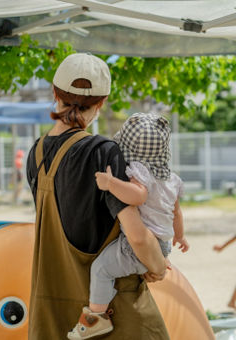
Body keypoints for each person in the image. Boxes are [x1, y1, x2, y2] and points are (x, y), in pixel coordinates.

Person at [26, 53, 169, 340]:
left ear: (55, 93)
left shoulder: (36, 154)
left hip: (54, 311)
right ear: (102, 102)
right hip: (113, 316)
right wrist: (159, 266)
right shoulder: (102, 152)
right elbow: (137, 236)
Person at [67, 113, 189, 339]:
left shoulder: (140, 172)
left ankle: (96, 318)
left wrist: (111, 183)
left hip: (137, 247)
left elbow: (138, 196)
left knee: (101, 269)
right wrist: (180, 237)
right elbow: (176, 212)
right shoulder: (172, 179)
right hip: (161, 246)